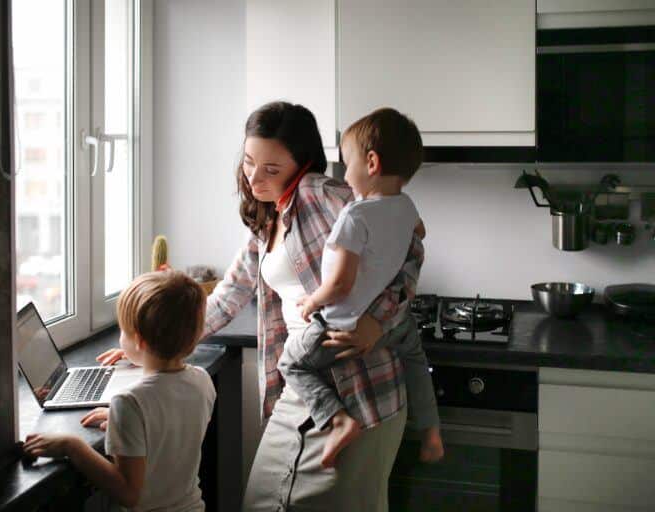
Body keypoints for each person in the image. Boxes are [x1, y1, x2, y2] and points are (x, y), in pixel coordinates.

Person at [97, 101, 433, 511]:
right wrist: (149, 340)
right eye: (249, 162)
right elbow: (228, 297)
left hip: (360, 388)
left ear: (302, 165)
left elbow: (411, 246)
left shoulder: (322, 193)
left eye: (271, 169)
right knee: (262, 500)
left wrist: (378, 322)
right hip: (306, 383)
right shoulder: (269, 219)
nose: (254, 178)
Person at [279, 107, 443, 468]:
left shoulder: (354, 216)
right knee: (416, 360)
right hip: (393, 325)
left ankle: (339, 421)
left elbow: (340, 285)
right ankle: (431, 431)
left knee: (291, 363)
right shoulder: (407, 206)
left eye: (346, 162)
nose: (343, 173)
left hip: (343, 327)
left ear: (371, 163)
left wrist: (311, 302)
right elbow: (420, 233)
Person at [24, 271, 216, 512]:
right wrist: (124, 422)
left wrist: (72, 446)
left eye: (123, 330)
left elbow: (128, 493)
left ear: (140, 341)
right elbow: (169, 425)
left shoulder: (129, 403)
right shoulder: (202, 381)